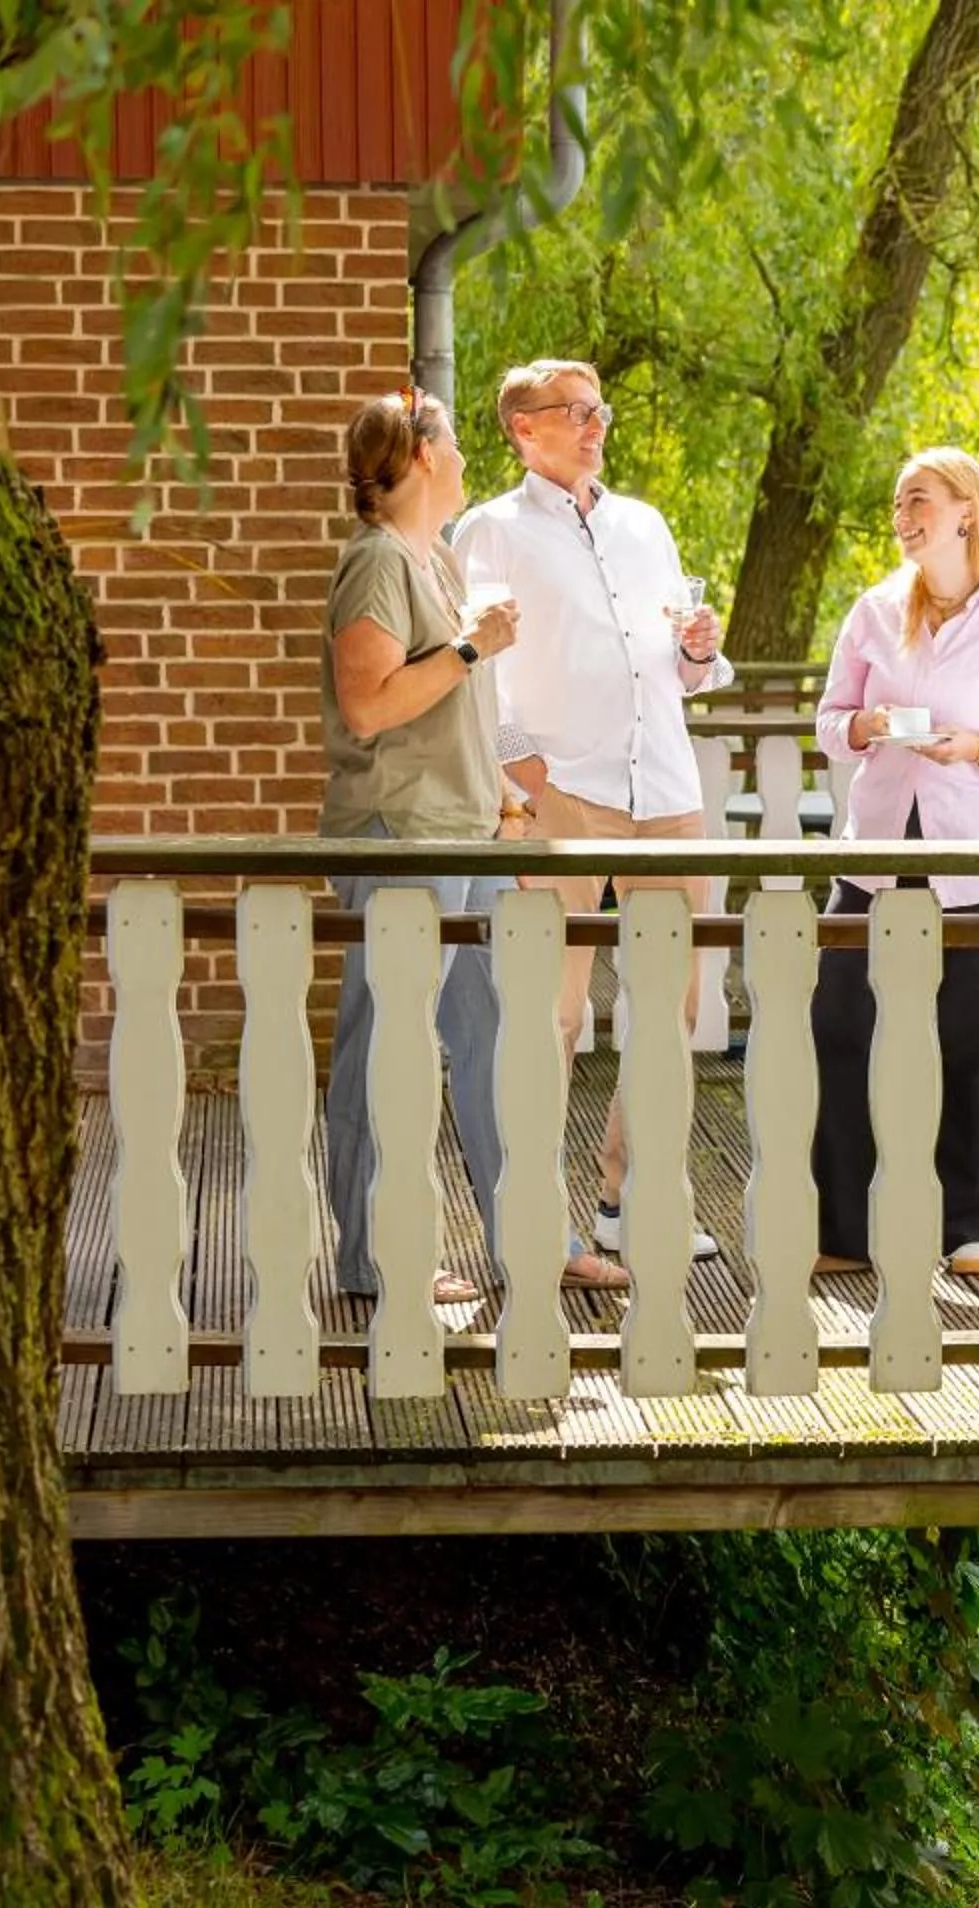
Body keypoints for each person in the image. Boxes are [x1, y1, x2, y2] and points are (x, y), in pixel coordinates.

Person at [317, 387, 629, 1300]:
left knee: (500, 1044)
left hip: (469, 833)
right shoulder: (376, 563)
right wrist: (468, 649)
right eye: (451, 443)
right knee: (390, 1049)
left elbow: (455, 709)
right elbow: (370, 704)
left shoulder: (437, 561)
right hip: (402, 838)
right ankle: (377, 1258)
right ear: (420, 457)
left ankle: (532, 1242)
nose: (463, 459)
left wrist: (500, 795)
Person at [455, 358, 734, 1263]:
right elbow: (478, 672)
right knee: (552, 1014)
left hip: (666, 790)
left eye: (598, 408)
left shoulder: (645, 525)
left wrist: (697, 652)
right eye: (573, 411)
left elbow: (678, 671)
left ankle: (632, 1198)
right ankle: (536, 1220)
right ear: (522, 429)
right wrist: (523, 783)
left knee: (674, 1005)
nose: (594, 423)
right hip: (561, 794)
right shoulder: (490, 531)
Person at [809, 449, 979, 1277]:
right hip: (878, 849)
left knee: (970, 1038)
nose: (903, 514)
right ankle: (842, 1231)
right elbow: (829, 722)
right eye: (898, 501)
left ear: (965, 511)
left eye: (919, 499)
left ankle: (967, 1228)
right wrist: (866, 728)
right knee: (838, 1025)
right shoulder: (874, 609)